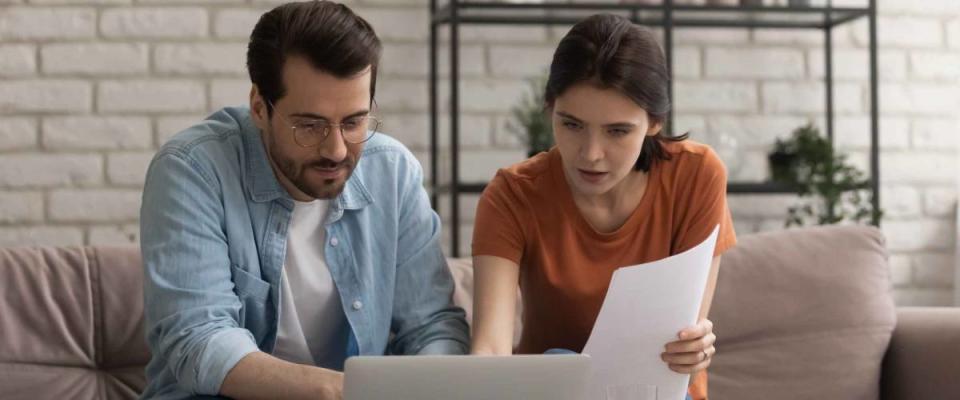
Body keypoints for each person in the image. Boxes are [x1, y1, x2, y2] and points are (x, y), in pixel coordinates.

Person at [138, 2, 469, 399]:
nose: (336, 150)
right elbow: (199, 339)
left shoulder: (393, 172)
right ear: (260, 108)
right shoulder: (193, 169)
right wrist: (346, 391)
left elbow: (432, 326)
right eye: (309, 126)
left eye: (353, 122)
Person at [469, 14, 737, 400]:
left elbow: (685, 330)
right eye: (572, 125)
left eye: (617, 131)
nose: (591, 155)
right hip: (555, 391)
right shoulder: (512, 195)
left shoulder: (696, 176)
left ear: (654, 122)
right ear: (550, 109)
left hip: (655, 392)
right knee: (559, 360)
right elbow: (490, 349)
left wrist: (695, 345)